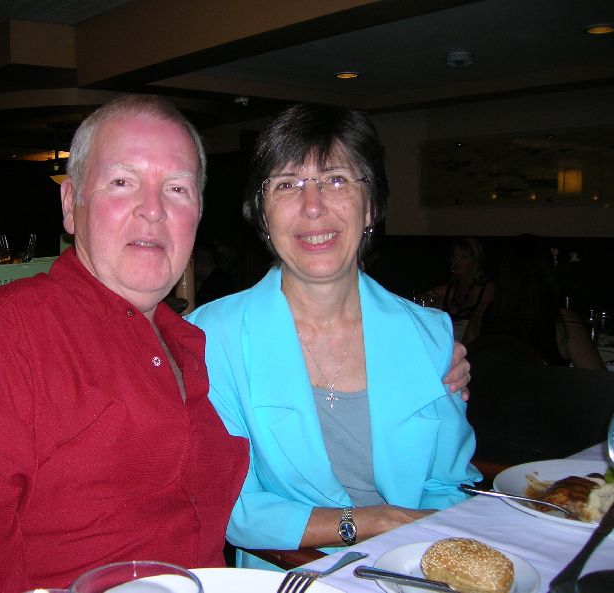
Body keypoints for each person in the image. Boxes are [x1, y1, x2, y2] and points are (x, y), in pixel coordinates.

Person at [0, 96, 249, 593]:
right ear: (70, 204)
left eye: (177, 189)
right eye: (122, 182)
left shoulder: (189, 342)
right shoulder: (3, 338)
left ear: (198, 215)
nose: (153, 210)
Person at [187, 104, 479, 569]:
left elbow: (449, 485)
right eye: (287, 185)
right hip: (290, 575)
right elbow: (231, 505)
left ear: (372, 206)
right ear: (261, 215)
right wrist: (369, 521)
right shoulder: (211, 336)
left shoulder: (430, 335)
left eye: (337, 180)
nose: (313, 206)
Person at [470, 235, 604, 370]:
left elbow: (464, 359)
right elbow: (596, 376)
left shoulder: (483, 313)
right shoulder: (564, 321)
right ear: (547, 273)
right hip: (542, 384)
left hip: (492, 383)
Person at [430, 237, 495, 342]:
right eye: (455, 256)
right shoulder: (447, 290)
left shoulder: (486, 288)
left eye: (464, 257)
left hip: (474, 344)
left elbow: (479, 322)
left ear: (475, 262)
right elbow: (421, 300)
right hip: (447, 341)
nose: (457, 261)